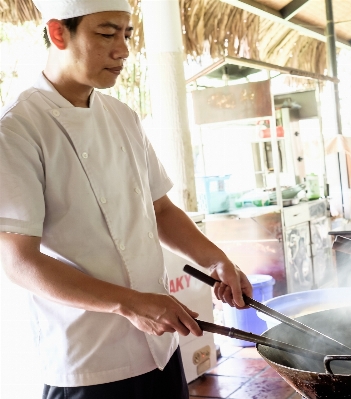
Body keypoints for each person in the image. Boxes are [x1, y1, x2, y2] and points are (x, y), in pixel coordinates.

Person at [0, 1, 252, 398]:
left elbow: (161, 209)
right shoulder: (17, 129)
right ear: (58, 33)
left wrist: (215, 259)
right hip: (88, 360)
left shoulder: (122, 116)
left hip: (160, 350)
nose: (123, 50)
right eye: (106, 34)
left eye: (127, 34)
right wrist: (129, 304)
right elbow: (18, 261)